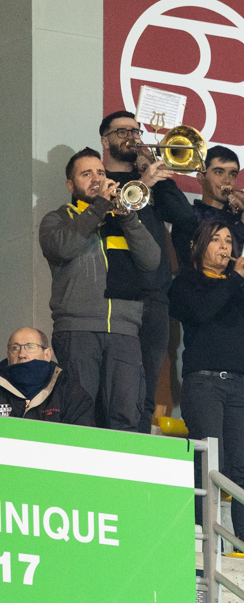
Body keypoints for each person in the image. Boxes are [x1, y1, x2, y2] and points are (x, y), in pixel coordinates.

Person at [39, 148, 162, 431]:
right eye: (87, 174)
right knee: (80, 416)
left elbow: (151, 261)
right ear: (71, 186)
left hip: (125, 332)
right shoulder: (57, 219)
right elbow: (64, 247)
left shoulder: (123, 221)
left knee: (126, 417)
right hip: (78, 330)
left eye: (101, 173)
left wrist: (128, 216)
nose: (96, 178)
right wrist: (98, 209)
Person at [168, 221, 244, 549]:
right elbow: (201, 311)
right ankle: (204, 539)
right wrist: (236, 279)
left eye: (229, 240)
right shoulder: (186, 282)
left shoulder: (239, 285)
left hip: (242, 387)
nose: (225, 246)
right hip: (204, 384)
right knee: (208, 462)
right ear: (200, 246)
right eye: (216, 239)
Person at [100, 110, 193, 432]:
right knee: (117, 390)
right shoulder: (100, 181)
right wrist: (143, 183)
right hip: (116, 295)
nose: (131, 136)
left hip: (155, 295)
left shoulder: (153, 182)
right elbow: (106, 220)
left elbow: (185, 218)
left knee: (147, 388)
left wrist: (158, 176)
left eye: (135, 131)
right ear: (105, 140)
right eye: (122, 131)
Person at [171, 145, 244, 268]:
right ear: (201, 178)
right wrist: (243, 227)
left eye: (233, 174)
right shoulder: (190, 217)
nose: (227, 180)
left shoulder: (240, 217)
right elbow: (216, 263)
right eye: (219, 172)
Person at [0, 328, 94, 425]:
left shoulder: (70, 392)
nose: (22, 354)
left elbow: (83, 437)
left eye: (30, 347)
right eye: (15, 348)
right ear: (8, 355)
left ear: (47, 354)